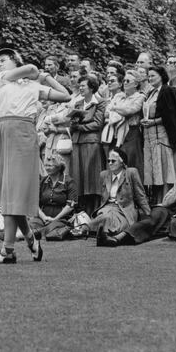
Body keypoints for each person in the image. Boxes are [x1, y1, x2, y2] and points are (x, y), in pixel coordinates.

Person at [0, 47, 71, 264]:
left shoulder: (33, 86)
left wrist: (47, 78)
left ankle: (7, 250)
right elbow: (32, 68)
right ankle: (30, 238)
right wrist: (37, 75)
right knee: (9, 192)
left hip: (24, 133)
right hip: (5, 131)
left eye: (3, 60)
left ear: (15, 61)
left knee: (16, 191)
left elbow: (65, 95)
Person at [100, 164, 176, 247]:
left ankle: (118, 239)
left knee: (155, 230)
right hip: (165, 210)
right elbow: (166, 202)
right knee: (151, 220)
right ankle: (118, 237)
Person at [142, 65, 176, 203]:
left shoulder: (167, 90)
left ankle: (167, 200)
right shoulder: (151, 92)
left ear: (161, 76)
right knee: (155, 169)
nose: (150, 78)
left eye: (153, 76)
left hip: (162, 137)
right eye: (149, 76)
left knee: (166, 168)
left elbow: (171, 115)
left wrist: (153, 122)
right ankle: (157, 201)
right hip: (149, 137)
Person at [90, 147, 150, 244]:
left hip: (125, 209)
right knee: (106, 216)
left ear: (122, 162)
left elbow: (140, 195)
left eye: (113, 161)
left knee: (113, 220)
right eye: (108, 161)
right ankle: (104, 234)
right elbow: (102, 198)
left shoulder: (131, 172)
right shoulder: (104, 175)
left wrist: (148, 214)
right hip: (107, 207)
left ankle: (100, 233)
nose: (110, 163)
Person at [69, 74, 106, 214]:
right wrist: (73, 124)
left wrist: (79, 126)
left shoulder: (100, 102)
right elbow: (73, 124)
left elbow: (97, 123)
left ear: (91, 87)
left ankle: (94, 209)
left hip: (91, 142)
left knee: (92, 176)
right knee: (78, 176)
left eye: (83, 85)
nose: (80, 88)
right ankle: (81, 210)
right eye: (79, 86)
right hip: (77, 142)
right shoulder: (78, 103)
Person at [101, 71, 145, 173]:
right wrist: (119, 111)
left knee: (131, 162)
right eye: (124, 80)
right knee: (113, 162)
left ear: (136, 84)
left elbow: (130, 111)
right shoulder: (118, 96)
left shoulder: (140, 97)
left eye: (128, 81)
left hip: (131, 133)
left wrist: (114, 108)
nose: (125, 83)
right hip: (115, 133)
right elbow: (106, 113)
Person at [27, 154, 78, 240]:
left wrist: (55, 219)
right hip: (43, 218)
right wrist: (44, 217)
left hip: (62, 219)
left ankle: (33, 234)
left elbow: (70, 206)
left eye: (50, 166)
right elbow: (34, 203)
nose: (47, 168)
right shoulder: (43, 181)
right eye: (46, 165)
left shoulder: (69, 182)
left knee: (52, 229)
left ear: (59, 167)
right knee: (31, 224)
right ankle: (35, 233)